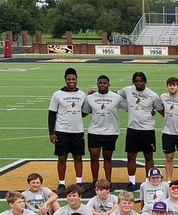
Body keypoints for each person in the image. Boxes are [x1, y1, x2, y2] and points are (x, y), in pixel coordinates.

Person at [47, 67, 92, 196]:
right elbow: (51, 114)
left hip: (77, 131)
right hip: (62, 131)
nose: (71, 81)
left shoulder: (82, 94)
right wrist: (52, 132)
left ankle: (79, 183)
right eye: (69, 79)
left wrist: (91, 98)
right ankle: (62, 183)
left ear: (77, 79)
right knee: (62, 158)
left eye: (73, 79)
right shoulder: (58, 94)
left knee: (78, 157)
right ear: (65, 80)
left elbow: (83, 113)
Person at [116, 71, 162, 192]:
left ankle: (148, 181)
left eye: (140, 81)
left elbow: (160, 109)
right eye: (136, 81)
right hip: (132, 129)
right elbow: (116, 96)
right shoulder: (127, 90)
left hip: (147, 130)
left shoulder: (153, 95)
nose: (138, 83)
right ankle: (132, 182)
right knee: (131, 156)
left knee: (148, 156)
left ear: (145, 82)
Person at [85, 74, 123, 184]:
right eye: (100, 83)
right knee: (94, 157)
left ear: (109, 84)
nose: (102, 85)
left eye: (105, 83)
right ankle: (94, 182)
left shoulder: (116, 97)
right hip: (94, 131)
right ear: (97, 84)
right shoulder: (90, 97)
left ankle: (108, 181)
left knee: (108, 158)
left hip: (110, 132)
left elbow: (129, 106)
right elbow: (84, 112)